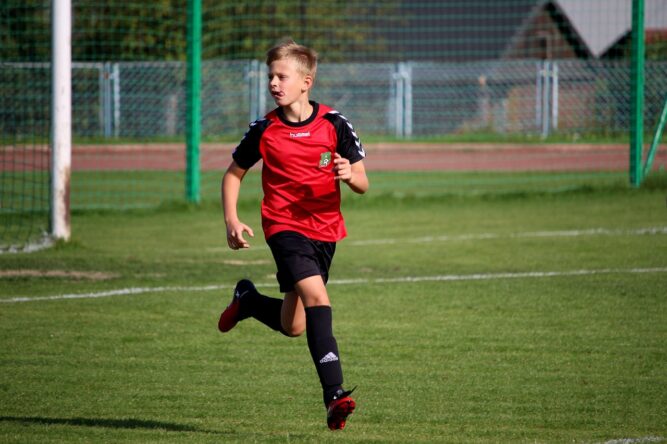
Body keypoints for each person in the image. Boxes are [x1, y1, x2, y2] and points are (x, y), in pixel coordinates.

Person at [218, 39, 369, 431]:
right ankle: (335, 395)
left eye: (281, 76)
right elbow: (234, 173)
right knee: (318, 297)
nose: (273, 83)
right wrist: (232, 219)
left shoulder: (335, 124)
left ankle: (248, 300)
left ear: (306, 82)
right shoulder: (265, 129)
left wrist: (350, 174)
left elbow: (364, 182)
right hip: (284, 227)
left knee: (295, 325)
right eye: (270, 76)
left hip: (325, 231)